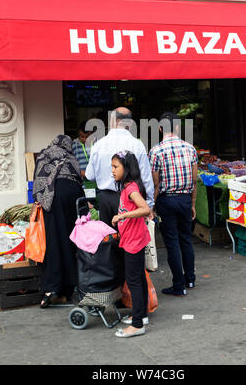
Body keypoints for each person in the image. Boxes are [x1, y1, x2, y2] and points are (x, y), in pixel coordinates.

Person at [33, 134, 85, 308]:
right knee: (71, 241)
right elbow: (79, 179)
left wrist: (39, 201)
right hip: (73, 195)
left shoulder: (44, 154)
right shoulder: (71, 157)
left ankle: (52, 288)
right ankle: (69, 288)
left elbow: (39, 182)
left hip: (53, 196)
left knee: (54, 241)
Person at [149, 112, 198, 296]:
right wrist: (192, 203)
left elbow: (156, 184)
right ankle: (190, 279)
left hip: (166, 200)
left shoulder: (156, 151)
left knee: (172, 243)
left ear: (160, 128)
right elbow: (194, 181)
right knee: (186, 239)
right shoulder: (190, 149)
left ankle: (179, 285)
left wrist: (151, 206)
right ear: (178, 127)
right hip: (185, 199)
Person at [85, 107, 154, 227]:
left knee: (108, 240)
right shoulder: (137, 145)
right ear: (131, 123)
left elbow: (89, 176)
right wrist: (148, 205)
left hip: (105, 199)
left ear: (112, 121)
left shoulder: (99, 145)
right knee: (129, 241)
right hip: (131, 200)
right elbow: (146, 178)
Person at [111, 151, 151, 338]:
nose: (112, 171)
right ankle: (141, 315)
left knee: (133, 279)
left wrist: (122, 216)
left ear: (126, 168)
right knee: (139, 278)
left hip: (134, 240)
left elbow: (144, 209)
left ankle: (137, 325)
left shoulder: (131, 189)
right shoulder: (129, 186)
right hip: (134, 237)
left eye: (115, 167)